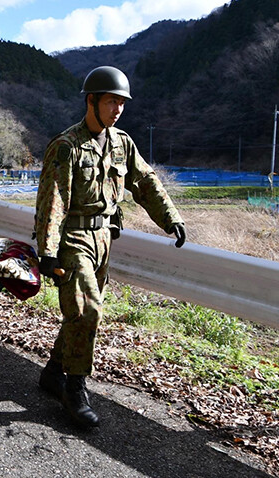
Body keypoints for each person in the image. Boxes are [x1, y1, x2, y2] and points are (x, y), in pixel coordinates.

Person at [34, 65, 186, 428]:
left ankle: (55, 371)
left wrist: (171, 218)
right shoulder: (66, 146)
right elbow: (52, 200)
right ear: (92, 100)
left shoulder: (122, 143)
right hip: (72, 238)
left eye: (121, 102)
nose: (117, 109)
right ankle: (75, 389)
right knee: (87, 312)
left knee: (80, 313)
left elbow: (145, 181)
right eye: (110, 101)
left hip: (104, 238)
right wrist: (47, 250)